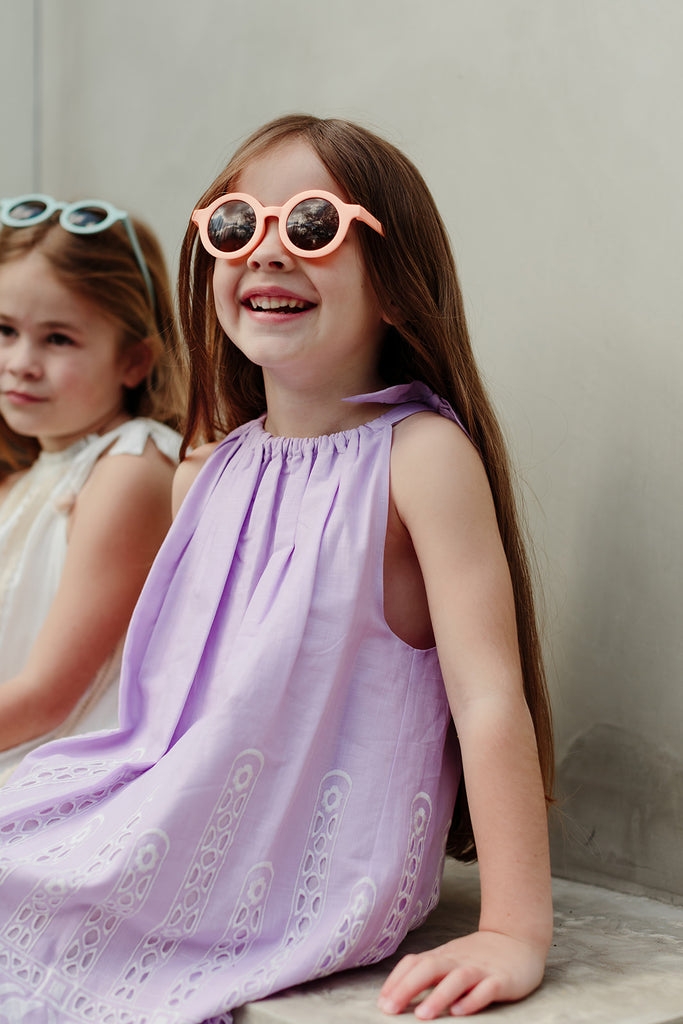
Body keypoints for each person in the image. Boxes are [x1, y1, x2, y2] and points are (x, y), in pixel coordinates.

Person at [0, 117, 553, 1022]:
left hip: (312, 861)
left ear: (397, 284)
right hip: (181, 806)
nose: (264, 253)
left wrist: (512, 928)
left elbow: (487, 696)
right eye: (233, 227)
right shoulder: (214, 468)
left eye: (309, 226)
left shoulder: (418, 456)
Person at [0, 195, 185, 779]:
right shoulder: (32, 472)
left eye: (58, 339)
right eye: (4, 329)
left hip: (64, 767)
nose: (22, 362)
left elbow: (47, 696)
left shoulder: (130, 466)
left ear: (134, 360)